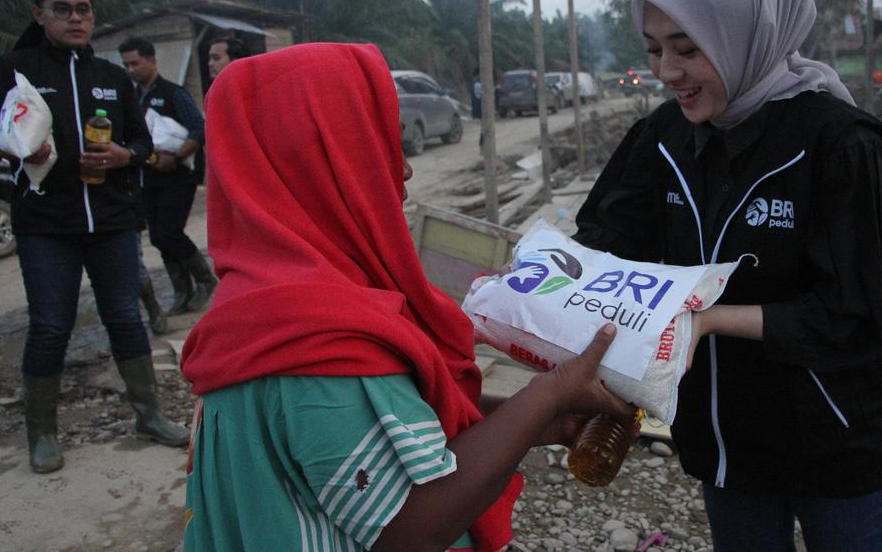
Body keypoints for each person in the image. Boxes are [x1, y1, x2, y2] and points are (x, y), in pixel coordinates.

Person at [180, 43, 632, 551]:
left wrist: (527, 421)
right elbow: (407, 530)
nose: (407, 170)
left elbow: (389, 410)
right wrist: (549, 392)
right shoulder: (317, 343)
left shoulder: (258, 299)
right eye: (381, 142)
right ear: (322, 161)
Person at [574, 0, 882, 552]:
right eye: (654, 50)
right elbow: (603, 242)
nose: (666, 73)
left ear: (744, 34)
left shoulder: (841, 144)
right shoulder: (662, 137)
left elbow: (858, 314)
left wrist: (706, 320)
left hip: (837, 440)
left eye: (687, 49)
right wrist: (551, 286)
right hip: (726, 440)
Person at [0, 0, 189, 473]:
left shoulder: (111, 78)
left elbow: (144, 141)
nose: (75, 18)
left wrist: (123, 157)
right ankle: (41, 434)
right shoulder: (11, 70)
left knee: (126, 318)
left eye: (83, 9)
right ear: (38, 14)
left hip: (111, 219)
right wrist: (6, 147)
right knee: (49, 326)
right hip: (46, 223)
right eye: (62, 9)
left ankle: (149, 414)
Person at [119, 36, 216, 327]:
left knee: (171, 231)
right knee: (159, 237)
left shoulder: (174, 94)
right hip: (147, 176)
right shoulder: (134, 98)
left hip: (179, 175)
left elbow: (199, 130)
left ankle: (205, 280)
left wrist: (175, 157)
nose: (131, 69)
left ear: (152, 61)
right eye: (126, 65)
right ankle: (181, 291)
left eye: (135, 63)